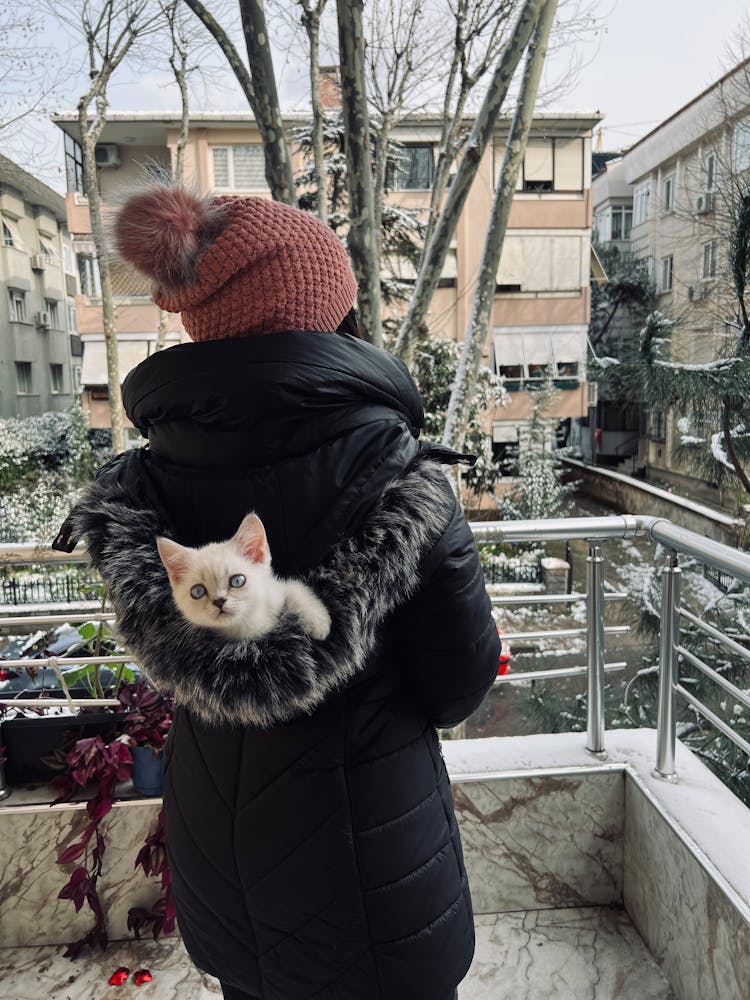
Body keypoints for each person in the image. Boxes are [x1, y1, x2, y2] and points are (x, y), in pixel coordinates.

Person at [61, 185, 499, 1000]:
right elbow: (458, 685)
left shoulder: (143, 483)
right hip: (375, 862)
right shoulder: (400, 479)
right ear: (324, 304)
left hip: (223, 863)